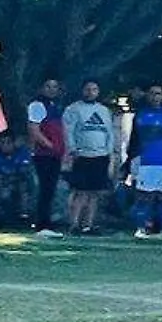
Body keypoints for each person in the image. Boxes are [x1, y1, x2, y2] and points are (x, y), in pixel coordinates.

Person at [126, 84, 162, 237]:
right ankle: (141, 228)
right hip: (147, 162)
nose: (156, 97)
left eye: (159, 94)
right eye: (152, 93)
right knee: (145, 197)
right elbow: (140, 136)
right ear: (148, 96)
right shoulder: (142, 115)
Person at [62, 80, 115, 234]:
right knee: (79, 191)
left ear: (98, 92)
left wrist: (109, 152)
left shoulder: (104, 110)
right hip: (81, 155)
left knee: (94, 193)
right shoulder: (73, 109)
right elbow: (68, 131)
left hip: (100, 156)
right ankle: (74, 224)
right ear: (82, 90)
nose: (90, 92)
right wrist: (72, 150)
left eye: (94, 89)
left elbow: (110, 133)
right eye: (87, 89)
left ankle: (88, 225)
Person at [26, 78, 66, 236]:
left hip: (55, 154)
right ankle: (41, 224)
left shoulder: (56, 106)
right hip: (43, 155)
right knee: (44, 189)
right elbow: (34, 129)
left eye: (55, 86)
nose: (51, 89)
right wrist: (50, 145)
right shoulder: (37, 105)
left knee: (50, 189)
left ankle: (47, 222)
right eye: (48, 86)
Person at [0, 133, 35, 229]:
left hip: (16, 182)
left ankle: (24, 217)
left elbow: (24, 171)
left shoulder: (22, 153)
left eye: (8, 142)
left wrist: (11, 179)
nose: (5, 145)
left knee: (25, 186)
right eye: (2, 143)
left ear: (14, 143)